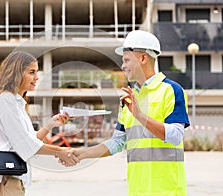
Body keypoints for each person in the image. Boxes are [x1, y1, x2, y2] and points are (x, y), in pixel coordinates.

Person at [70, 30, 190, 196]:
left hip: (167, 190)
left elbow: (176, 135)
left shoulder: (171, 90)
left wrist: (139, 115)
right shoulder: (128, 98)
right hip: (137, 190)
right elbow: (117, 142)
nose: (123, 66)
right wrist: (81, 154)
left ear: (143, 58)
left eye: (126, 60)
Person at [0, 50, 79, 196]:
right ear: (16, 73)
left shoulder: (16, 103)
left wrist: (49, 125)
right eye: (31, 72)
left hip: (13, 179)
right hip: (4, 181)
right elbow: (26, 145)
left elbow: (28, 142)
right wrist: (61, 152)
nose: (36, 78)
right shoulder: (5, 100)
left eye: (37, 72)